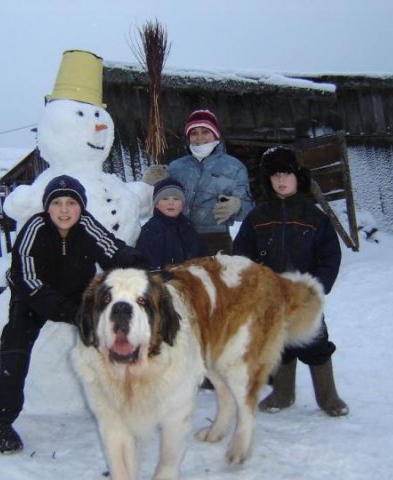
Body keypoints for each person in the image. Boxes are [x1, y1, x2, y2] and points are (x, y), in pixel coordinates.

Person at [0, 175, 149, 453]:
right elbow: (27, 279)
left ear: (81, 206)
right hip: (33, 297)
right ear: (47, 207)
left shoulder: (86, 225)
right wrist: (70, 312)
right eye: (57, 203)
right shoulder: (35, 228)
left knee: (116, 338)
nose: (64, 210)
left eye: (71, 203)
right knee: (14, 346)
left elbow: (113, 251)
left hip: (76, 291)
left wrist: (142, 266)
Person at [232, 147, 349, 417]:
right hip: (270, 296)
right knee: (278, 344)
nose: (281, 180)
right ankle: (283, 394)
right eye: (275, 176)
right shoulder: (258, 217)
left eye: (286, 174)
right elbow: (241, 255)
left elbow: (330, 256)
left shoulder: (314, 217)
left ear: (298, 177)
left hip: (304, 296)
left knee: (316, 344)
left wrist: (317, 287)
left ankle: (328, 397)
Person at [143, 109, 253, 255]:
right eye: (194, 133)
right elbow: (157, 201)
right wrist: (149, 185)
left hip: (215, 241)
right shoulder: (176, 167)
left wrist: (237, 206)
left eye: (205, 132)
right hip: (177, 237)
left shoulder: (234, 167)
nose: (199, 137)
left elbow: (248, 209)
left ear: (216, 134)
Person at [135, 177, 208, 270]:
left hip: (190, 276)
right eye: (165, 199)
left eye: (176, 199)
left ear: (182, 204)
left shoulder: (188, 226)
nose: (171, 203)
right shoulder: (150, 231)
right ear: (156, 204)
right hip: (163, 277)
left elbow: (201, 254)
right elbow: (146, 264)